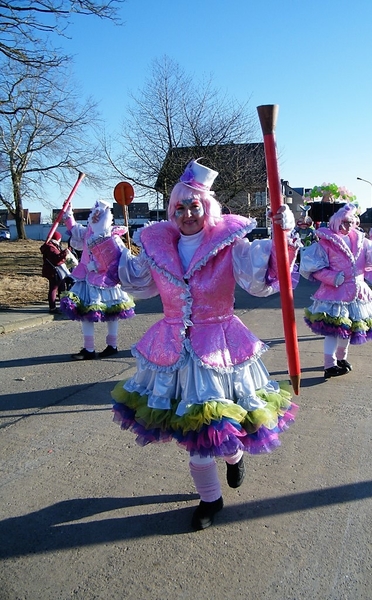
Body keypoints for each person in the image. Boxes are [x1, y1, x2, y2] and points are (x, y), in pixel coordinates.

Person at [92, 158, 299, 530]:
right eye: (180, 206)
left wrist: (282, 238)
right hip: (172, 349)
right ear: (172, 210)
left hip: (221, 346)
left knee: (224, 426)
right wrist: (103, 239)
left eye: (194, 205)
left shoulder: (229, 244)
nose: (187, 213)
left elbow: (259, 278)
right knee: (194, 436)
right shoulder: (158, 247)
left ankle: (235, 458)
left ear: (207, 207)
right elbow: (133, 281)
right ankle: (210, 499)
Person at [299, 203, 372, 379]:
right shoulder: (325, 243)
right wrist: (333, 277)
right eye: (345, 222)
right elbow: (313, 268)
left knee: (347, 330)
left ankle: (341, 359)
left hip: (358, 293)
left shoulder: (362, 242)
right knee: (333, 331)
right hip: (334, 294)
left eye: (351, 222)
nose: (349, 226)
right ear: (336, 222)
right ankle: (329, 364)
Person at [60, 200, 135, 360]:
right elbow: (74, 229)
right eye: (94, 214)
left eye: (98, 214)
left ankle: (112, 345)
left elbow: (118, 258)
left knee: (113, 312)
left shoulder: (112, 236)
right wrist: (68, 214)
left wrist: (100, 264)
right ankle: (89, 349)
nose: (95, 218)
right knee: (84, 313)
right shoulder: (88, 232)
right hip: (86, 277)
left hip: (106, 280)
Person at [40, 231, 69, 314]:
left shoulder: (52, 246)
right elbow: (56, 259)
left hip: (55, 271)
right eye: (59, 238)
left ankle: (63, 306)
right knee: (54, 289)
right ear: (56, 238)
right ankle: (53, 308)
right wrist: (64, 253)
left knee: (62, 288)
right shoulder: (51, 247)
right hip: (54, 272)